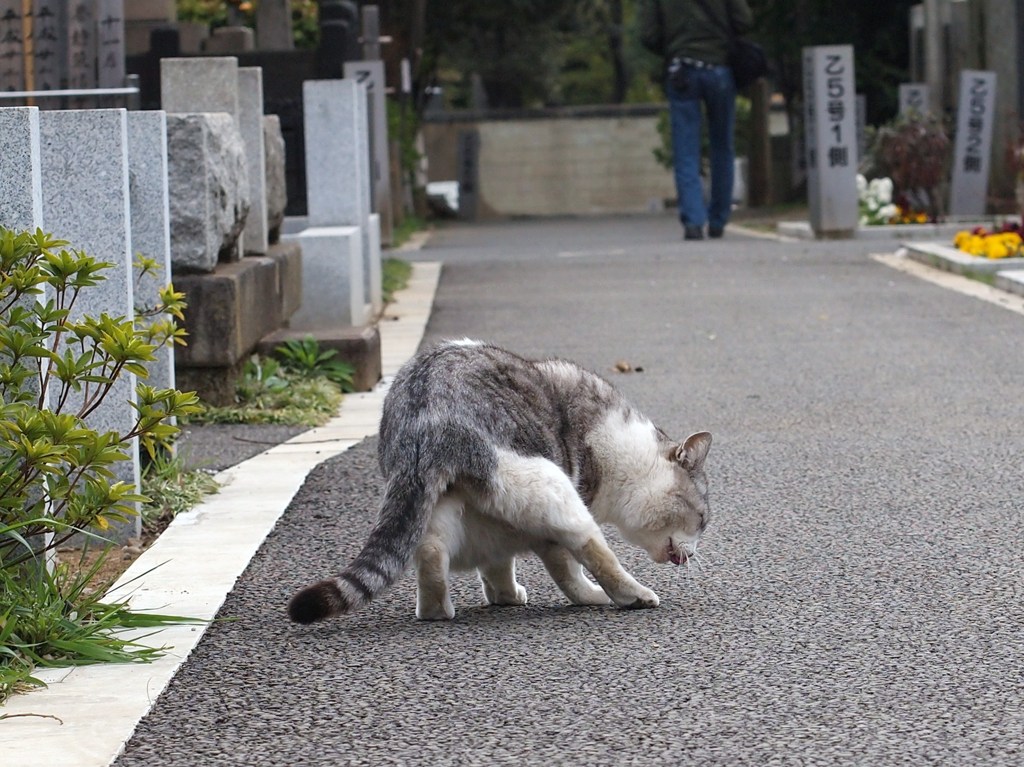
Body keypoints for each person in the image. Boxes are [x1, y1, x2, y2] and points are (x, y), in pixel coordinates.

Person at [639, 0, 754, 240]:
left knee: (685, 150)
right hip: (719, 69)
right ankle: (718, 220)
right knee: (722, 145)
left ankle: (693, 221)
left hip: (682, 70)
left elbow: (648, 34)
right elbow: (744, 21)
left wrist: (675, 47)